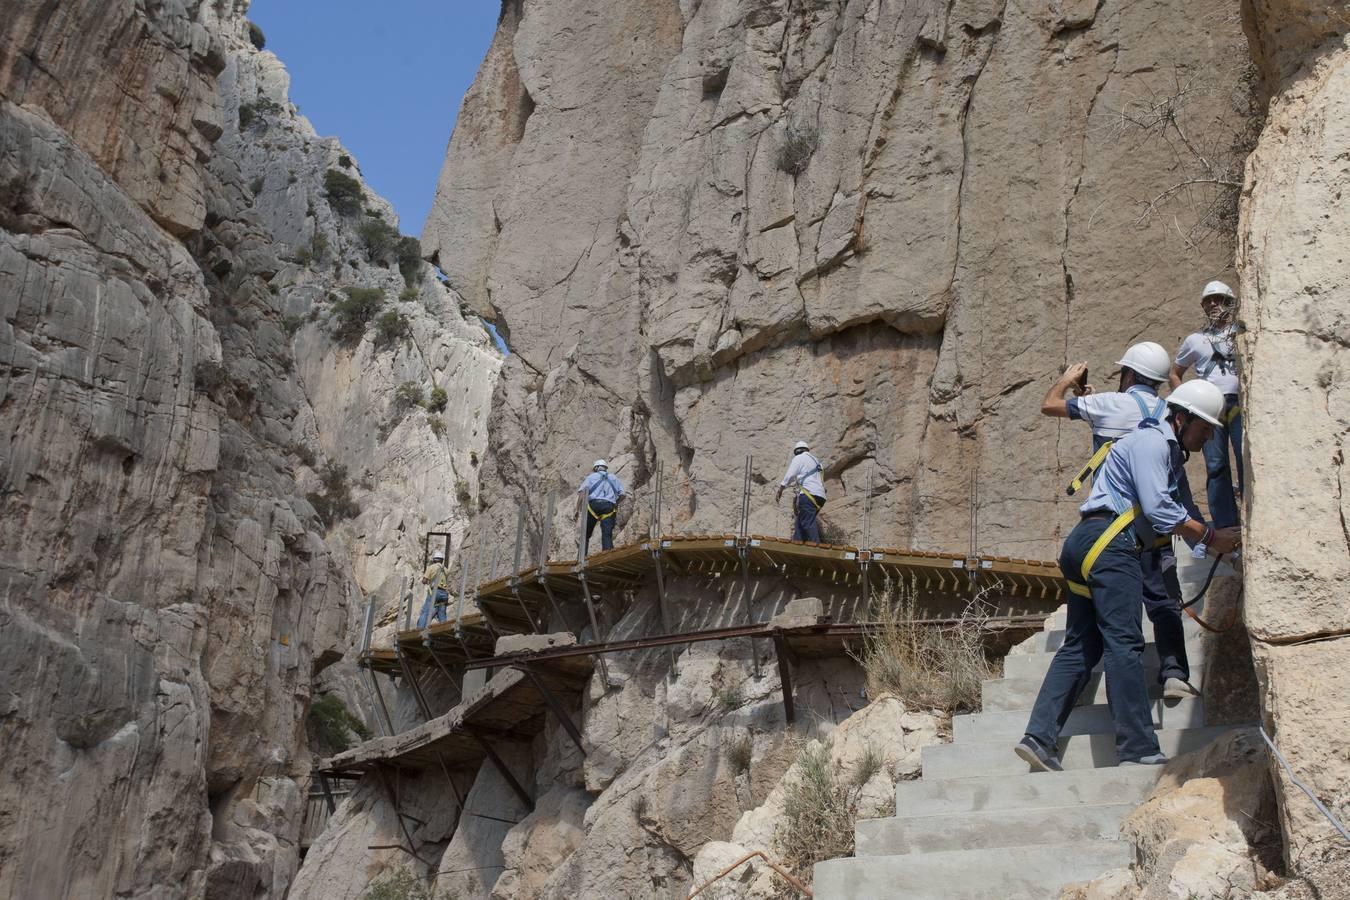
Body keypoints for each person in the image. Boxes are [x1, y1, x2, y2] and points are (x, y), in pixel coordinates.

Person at [1015, 380, 1241, 771]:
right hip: (1110, 545)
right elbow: (1158, 509)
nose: (1207, 437)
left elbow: (1167, 511)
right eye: (1203, 427)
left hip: (1086, 542)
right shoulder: (1154, 444)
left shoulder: (1158, 448)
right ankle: (1136, 747)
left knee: (1082, 645)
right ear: (1181, 417)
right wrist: (1209, 535)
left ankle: (1039, 737)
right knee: (1124, 642)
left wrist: (1209, 544)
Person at [1043, 341, 1198, 700]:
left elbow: (1049, 405)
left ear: (1128, 373)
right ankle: (1174, 674)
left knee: (1101, 610)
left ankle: (1077, 686)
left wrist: (1068, 381)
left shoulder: (1109, 403)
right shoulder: (1169, 411)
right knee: (1163, 601)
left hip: (1114, 528)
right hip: (1156, 526)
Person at [1170, 281, 1242, 529]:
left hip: (1240, 404)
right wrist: (1186, 402)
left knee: (1246, 460)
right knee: (1216, 465)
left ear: (1229, 303)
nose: (1213, 304)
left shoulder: (1241, 332)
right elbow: (1175, 373)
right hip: (1210, 407)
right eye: (1208, 300)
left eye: (1219, 299)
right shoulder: (1195, 340)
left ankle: (1252, 519)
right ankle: (1226, 525)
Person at [775, 440, 827, 543]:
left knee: (807, 522)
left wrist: (780, 490)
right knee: (800, 521)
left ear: (797, 451)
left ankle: (816, 548)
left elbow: (790, 475)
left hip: (808, 495)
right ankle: (797, 542)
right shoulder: (817, 462)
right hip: (820, 497)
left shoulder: (799, 458)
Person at [575, 459, 626, 554]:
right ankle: (607, 554)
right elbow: (622, 495)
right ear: (605, 468)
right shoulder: (614, 478)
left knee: (585, 534)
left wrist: (577, 509)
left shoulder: (591, 477)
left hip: (593, 506)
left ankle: (581, 557)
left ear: (596, 468)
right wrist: (616, 503)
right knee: (607, 534)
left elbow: (582, 493)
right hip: (609, 507)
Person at [417, 550, 450, 629]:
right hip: (444, 594)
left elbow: (424, 581)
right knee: (442, 614)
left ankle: (420, 629)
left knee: (425, 612)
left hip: (434, 592)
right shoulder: (446, 570)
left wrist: (428, 581)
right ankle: (444, 629)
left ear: (434, 560)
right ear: (442, 560)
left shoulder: (431, 567)